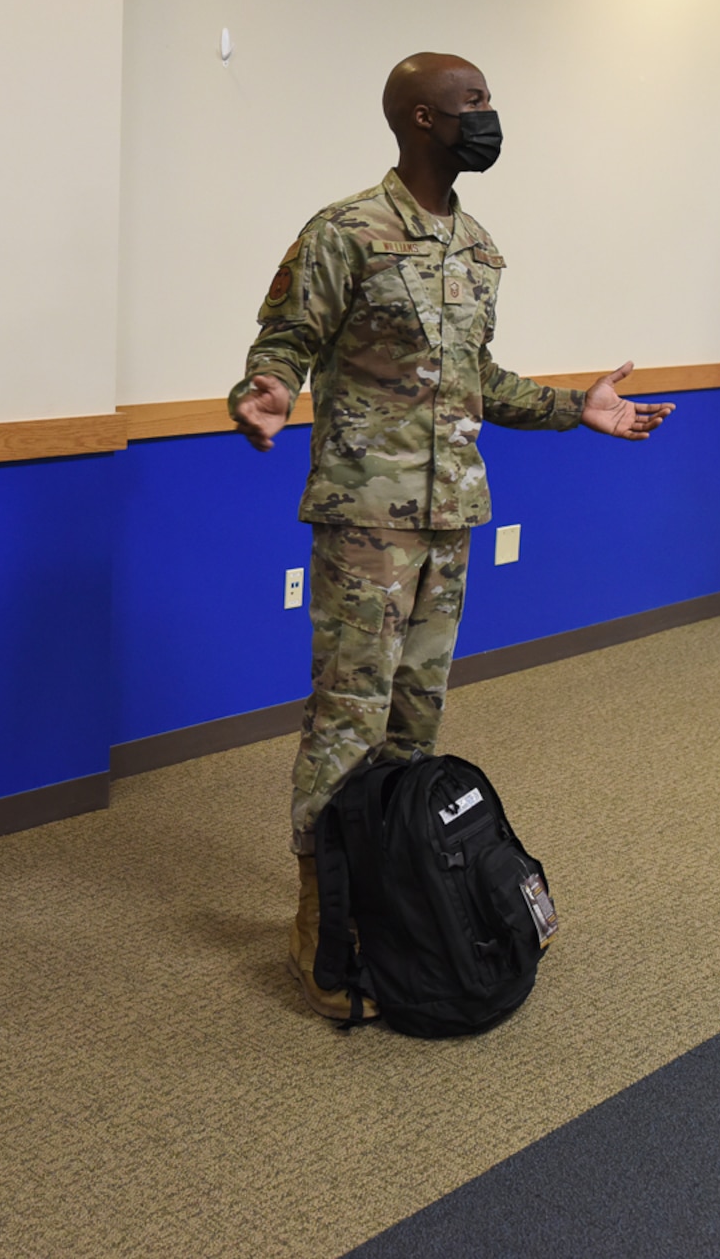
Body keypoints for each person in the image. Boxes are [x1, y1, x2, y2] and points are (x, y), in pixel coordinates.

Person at [228, 52, 674, 1019]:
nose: (490, 116)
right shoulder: (345, 230)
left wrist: (574, 409)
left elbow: (481, 381)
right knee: (347, 720)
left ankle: (389, 905)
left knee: (413, 726)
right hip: (367, 520)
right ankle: (321, 927)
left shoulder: (477, 247)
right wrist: (264, 393)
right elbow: (283, 344)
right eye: (473, 103)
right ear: (421, 120)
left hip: (452, 519)